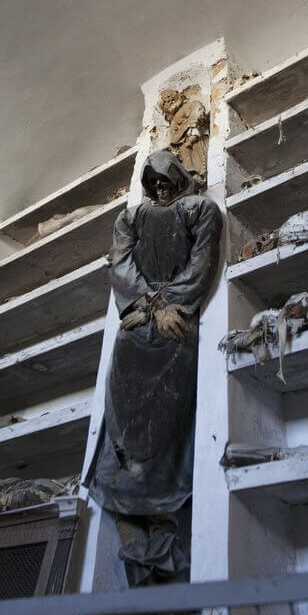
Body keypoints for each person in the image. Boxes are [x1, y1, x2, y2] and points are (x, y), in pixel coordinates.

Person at [87, 150, 221, 585]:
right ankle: (135, 542)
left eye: (167, 180)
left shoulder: (201, 209)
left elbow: (202, 262)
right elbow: (120, 265)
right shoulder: (130, 218)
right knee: (121, 422)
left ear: (180, 179)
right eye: (154, 182)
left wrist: (171, 305)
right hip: (135, 328)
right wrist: (144, 303)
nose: (161, 188)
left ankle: (162, 531)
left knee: (168, 427)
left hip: (176, 330)